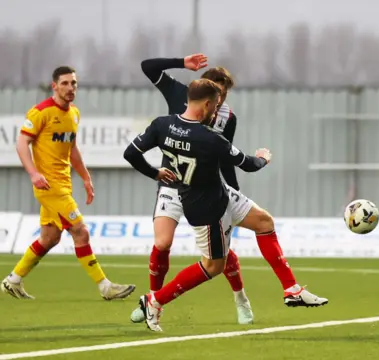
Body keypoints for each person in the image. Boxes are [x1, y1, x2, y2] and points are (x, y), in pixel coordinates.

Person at [138, 54, 328, 315]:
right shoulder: (181, 96)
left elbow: (225, 160)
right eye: (217, 97)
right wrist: (183, 62)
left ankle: (277, 292)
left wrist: (234, 191)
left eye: (224, 96)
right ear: (205, 94)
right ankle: (153, 301)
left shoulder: (226, 117)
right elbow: (147, 67)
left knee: (262, 223)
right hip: (175, 186)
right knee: (167, 245)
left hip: (210, 186)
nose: (220, 103)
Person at [124, 79, 270, 332]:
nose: (216, 112)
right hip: (206, 204)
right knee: (212, 265)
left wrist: (155, 173)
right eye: (215, 106)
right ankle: (154, 300)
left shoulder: (162, 124)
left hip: (187, 194)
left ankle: (157, 301)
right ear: (206, 104)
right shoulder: (210, 138)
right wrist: (263, 158)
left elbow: (130, 153)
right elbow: (247, 164)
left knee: (250, 232)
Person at [1, 66, 136, 301]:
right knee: (81, 232)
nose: (70, 88)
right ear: (54, 86)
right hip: (48, 186)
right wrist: (33, 173)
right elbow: (22, 143)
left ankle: (13, 280)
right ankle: (105, 286)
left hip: (64, 184)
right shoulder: (40, 112)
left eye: (73, 83)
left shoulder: (74, 113)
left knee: (50, 238)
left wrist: (85, 177)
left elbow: (71, 148)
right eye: (65, 83)